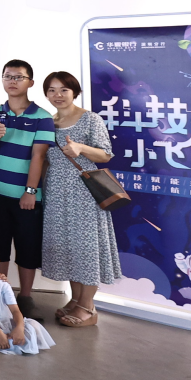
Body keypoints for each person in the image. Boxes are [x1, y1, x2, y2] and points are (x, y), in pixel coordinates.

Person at [0, 59, 55, 322]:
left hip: (26, 195)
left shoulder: (42, 116)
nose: (12, 81)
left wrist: (31, 191)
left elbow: (38, 156)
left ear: (30, 82)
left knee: (27, 245)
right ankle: (1, 294)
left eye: (18, 77)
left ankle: (26, 297)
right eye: (8, 76)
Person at [41, 70, 120, 328]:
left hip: (84, 194)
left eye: (63, 89)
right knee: (69, 248)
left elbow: (106, 154)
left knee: (86, 248)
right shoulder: (48, 121)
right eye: (52, 90)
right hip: (56, 194)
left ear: (74, 91)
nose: (58, 95)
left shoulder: (90, 118)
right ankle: (75, 300)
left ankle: (88, 307)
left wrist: (80, 148)